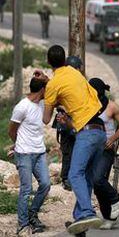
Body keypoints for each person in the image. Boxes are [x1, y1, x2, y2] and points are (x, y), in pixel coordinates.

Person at [35, 45, 106, 235]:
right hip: (101, 131)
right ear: (65, 59)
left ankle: (88, 212)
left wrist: (43, 95)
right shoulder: (74, 73)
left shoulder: (53, 85)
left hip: (86, 132)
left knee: (75, 175)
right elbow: (65, 88)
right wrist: (48, 83)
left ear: (48, 61)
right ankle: (79, 218)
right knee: (87, 176)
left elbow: (46, 119)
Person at [8, 77, 51, 236]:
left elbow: (54, 90)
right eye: (46, 88)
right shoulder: (22, 107)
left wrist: (46, 79)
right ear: (42, 90)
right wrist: (18, 145)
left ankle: (32, 214)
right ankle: (23, 225)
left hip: (39, 152)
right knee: (26, 189)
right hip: (24, 153)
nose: (49, 92)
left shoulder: (41, 104)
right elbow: (11, 130)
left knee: (46, 184)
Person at [88, 78, 119, 230]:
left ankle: (115, 198)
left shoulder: (111, 106)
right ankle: (108, 216)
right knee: (97, 184)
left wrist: (112, 139)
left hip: (106, 150)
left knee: (98, 179)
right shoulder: (89, 105)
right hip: (93, 149)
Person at [54, 56, 84, 191]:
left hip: (76, 120)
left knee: (77, 151)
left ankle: (73, 177)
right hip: (66, 121)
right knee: (68, 152)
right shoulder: (65, 81)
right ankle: (66, 178)